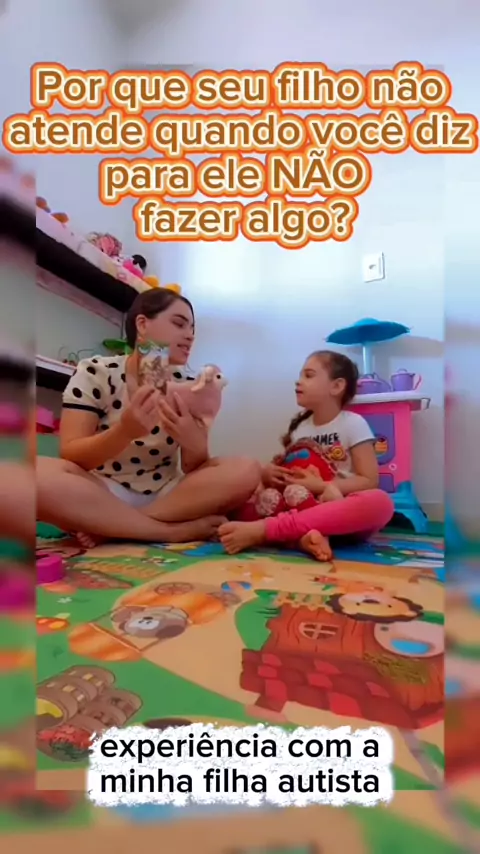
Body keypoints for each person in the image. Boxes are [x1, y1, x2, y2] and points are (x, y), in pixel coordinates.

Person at [37, 289, 260, 544]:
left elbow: (193, 469)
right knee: (32, 473)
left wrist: (194, 443)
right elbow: (72, 456)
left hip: (167, 497)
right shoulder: (96, 372)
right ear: (142, 324)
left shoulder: (190, 386)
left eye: (192, 329)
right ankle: (168, 532)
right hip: (102, 491)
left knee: (246, 469)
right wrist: (124, 432)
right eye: (179, 324)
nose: (190, 336)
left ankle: (113, 526)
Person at [219, 350, 394, 560]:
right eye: (300, 375)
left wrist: (321, 486)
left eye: (308, 375)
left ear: (337, 386)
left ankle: (269, 530)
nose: (298, 381)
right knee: (253, 496)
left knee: (381, 502)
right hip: (297, 504)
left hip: (336, 511)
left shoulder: (353, 423)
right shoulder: (300, 430)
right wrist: (270, 474)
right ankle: (303, 539)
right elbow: (290, 470)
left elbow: (369, 480)